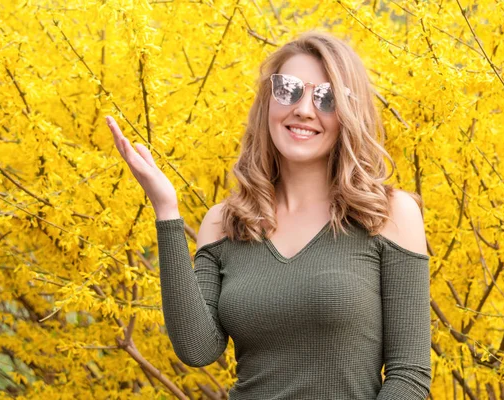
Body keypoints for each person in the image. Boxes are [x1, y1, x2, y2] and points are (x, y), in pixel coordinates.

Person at [106, 31, 431, 399]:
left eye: (326, 97)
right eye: (289, 89)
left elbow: (409, 376)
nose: (304, 109)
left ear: (348, 114)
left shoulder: (389, 214)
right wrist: (166, 210)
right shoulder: (226, 222)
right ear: (267, 103)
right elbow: (197, 349)